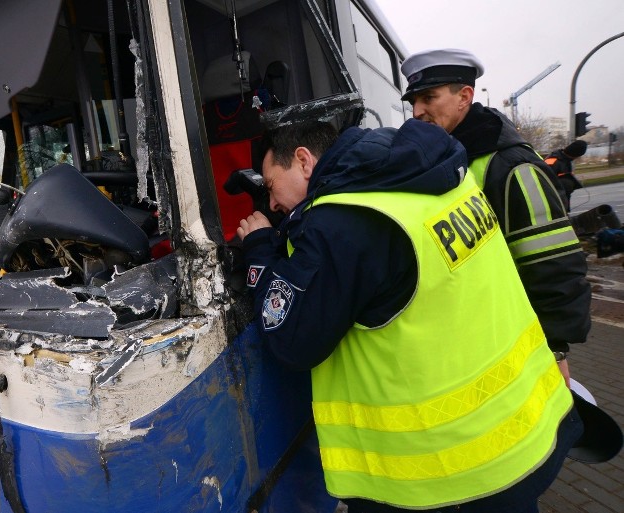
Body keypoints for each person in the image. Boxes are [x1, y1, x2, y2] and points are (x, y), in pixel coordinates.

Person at [236, 119, 582, 512]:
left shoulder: (344, 221)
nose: (271, 203)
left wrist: (262, 248)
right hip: (520, 439)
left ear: (303, 162)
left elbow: (292, 339)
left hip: (439, 479)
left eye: (270, 185)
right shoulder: (442, 176)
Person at [399, 49, 591, 387]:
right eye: (413, 101)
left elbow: (553, 262)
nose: (417, 112)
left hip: (514, 342)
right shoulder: (439, 159)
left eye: (429, 97)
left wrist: (556, 349)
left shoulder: (513, 166)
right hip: (466, 343)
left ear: (465, 97)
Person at [545, 140, 588, 212]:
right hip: (554, 203)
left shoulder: (565, 160)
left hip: (562, 201)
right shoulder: (552, 161)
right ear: (575, 154)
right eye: (578, 156)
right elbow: (544, 182)